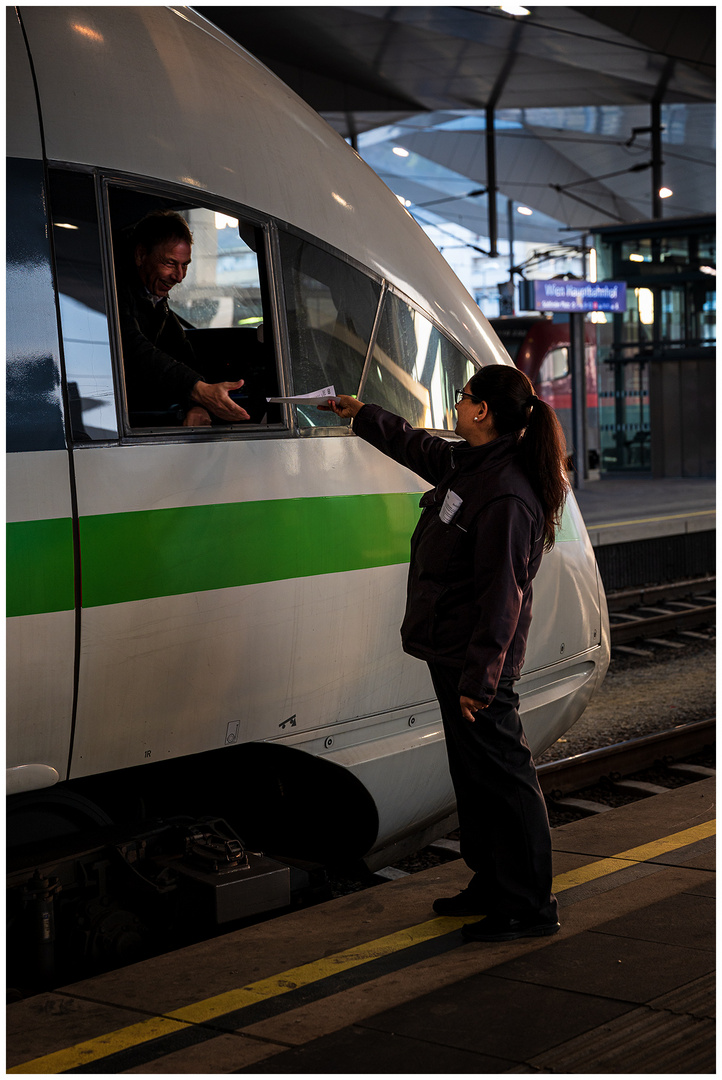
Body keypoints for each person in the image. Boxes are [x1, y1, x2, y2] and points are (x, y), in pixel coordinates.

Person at [320, 365, 569, 942]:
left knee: (506, 782)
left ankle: (529, 905)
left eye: (462, 398)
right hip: (453, 653)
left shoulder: (506, 493)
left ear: (481, 411)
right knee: (475, 777)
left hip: (479, 667)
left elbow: (502, 600)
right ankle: (492, 884)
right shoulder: (471, 465)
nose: (456, 405)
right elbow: (418, 445)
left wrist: (480, 683)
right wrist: (362, 415)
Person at [117, 210, 251, 427]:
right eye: (170, 263)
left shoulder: (156, 300)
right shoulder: (114, 294)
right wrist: (198, 390)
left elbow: (183, 353)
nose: (179, 277)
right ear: (141, 255)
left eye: (185, 265)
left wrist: (196, 404)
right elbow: (132, 348)